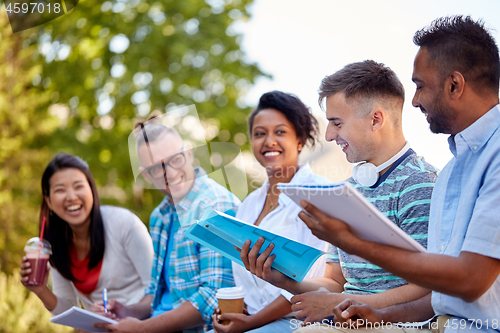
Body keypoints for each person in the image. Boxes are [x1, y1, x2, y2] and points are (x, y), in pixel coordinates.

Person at [293, 15, 500, 333]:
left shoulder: (487, 159)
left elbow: (469, 281)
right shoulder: (452, 172)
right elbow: (441, 295)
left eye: (420, 86)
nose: (414, 100)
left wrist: (350, 241)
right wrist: (382, 316)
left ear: (454, 85)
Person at [239, 61, 439, 327]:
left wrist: (343, 304)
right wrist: (283, 280)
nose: (329, 134)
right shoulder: (346, 191)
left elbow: (427, 287)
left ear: (376, 119)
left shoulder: (419, 184)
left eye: (336, 122)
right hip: (345, 321)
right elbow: (335, 280)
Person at [94, 119, 240, 333]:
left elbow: (214, 297)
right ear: (146, 175)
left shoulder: (216, 206)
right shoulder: (160, 216)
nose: (170, 173)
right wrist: (128, 312)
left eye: (176, 160)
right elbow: (156, 294)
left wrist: (143, 328)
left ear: (189, 154)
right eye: (156, 168)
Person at [208, 91, 330, 333]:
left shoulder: (320, 194)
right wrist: (237, 312)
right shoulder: (248, 205)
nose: (269, 141)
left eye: (280, 132)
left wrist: (252, 323)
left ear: (299, 139)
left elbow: (309, 278)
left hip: (298, 322)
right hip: (254, 320)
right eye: (260, 134)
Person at [20, 153, 154, 316]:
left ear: (91, 189)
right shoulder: (56, 243)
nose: (71, 197)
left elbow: (157, 289)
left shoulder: (124, 224)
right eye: (60, 190)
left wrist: (126, 313)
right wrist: (40, 289)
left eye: (78, 186)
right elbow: (68, 309)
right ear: (48, 201)